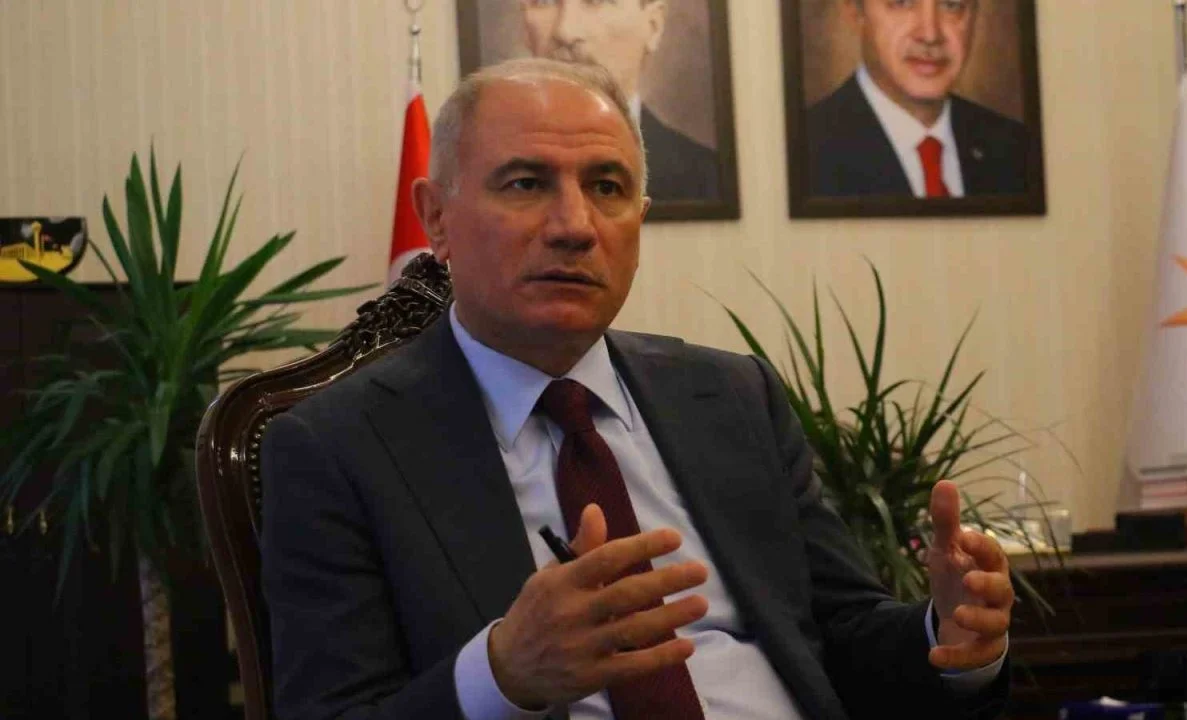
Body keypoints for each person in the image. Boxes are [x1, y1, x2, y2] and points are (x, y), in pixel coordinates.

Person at [261, 58, 1013, 720]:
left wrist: (946, 635)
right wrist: (502, 674)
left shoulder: (734, 398)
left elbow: (841, 633)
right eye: (526, 183)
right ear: (436, 218)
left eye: (607, 187)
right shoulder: (337, 448)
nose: (575, 225)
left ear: (640, 221)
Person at [806, 0, 1028, 198]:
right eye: (902, 3)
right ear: (855, 11)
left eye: (952, 5)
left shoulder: (1018, 149)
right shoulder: (806, 151)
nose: (930, 35)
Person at [519, 0, 721, 202]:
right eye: (544, 1)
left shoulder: (707, 178)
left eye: (596, 2)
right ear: (525, 29)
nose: (565, 31)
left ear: (653, 26)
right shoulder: (501, 160)